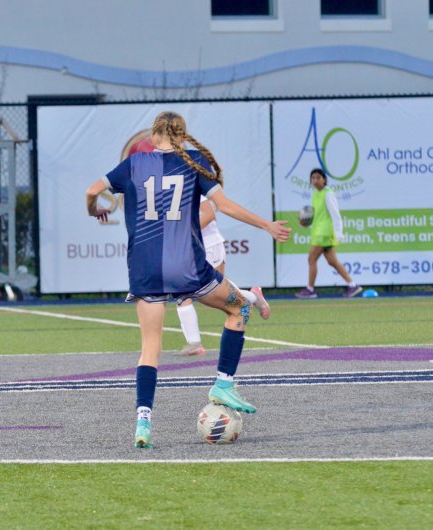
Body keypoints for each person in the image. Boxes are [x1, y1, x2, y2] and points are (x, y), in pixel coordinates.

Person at [86, 111, 291, 448]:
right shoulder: (194, 162)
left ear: (153, 138)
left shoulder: (134, 165)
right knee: (238, 309)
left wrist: (96, 210)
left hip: (145, 269)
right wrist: (267, 226)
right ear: (182, 137)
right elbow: (222, 205)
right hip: (187, 267)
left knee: (150, 349)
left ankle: (143, 424)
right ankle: (223, 383)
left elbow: (92, 190)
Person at [295, 168, 363, 299]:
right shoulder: (315, 194)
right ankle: (353, 285)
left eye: (318, 177)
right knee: (332, 261)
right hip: (318, 231)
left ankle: (310, 289)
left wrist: (339, 233)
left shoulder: (328, 194)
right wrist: (305, 222)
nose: (315, 180)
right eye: (313, 178)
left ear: (324, 180)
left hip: (324, 233)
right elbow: (316, 215)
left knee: (311, 259)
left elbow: (335, 214)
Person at [174, 196, 225, 356]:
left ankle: (252, 297)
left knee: (219, 296)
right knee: (181, 292)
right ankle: (194, 344)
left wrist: (184, 232)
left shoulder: (188, 185)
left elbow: (209, 214)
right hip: (189, 249)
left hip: (209, 245)